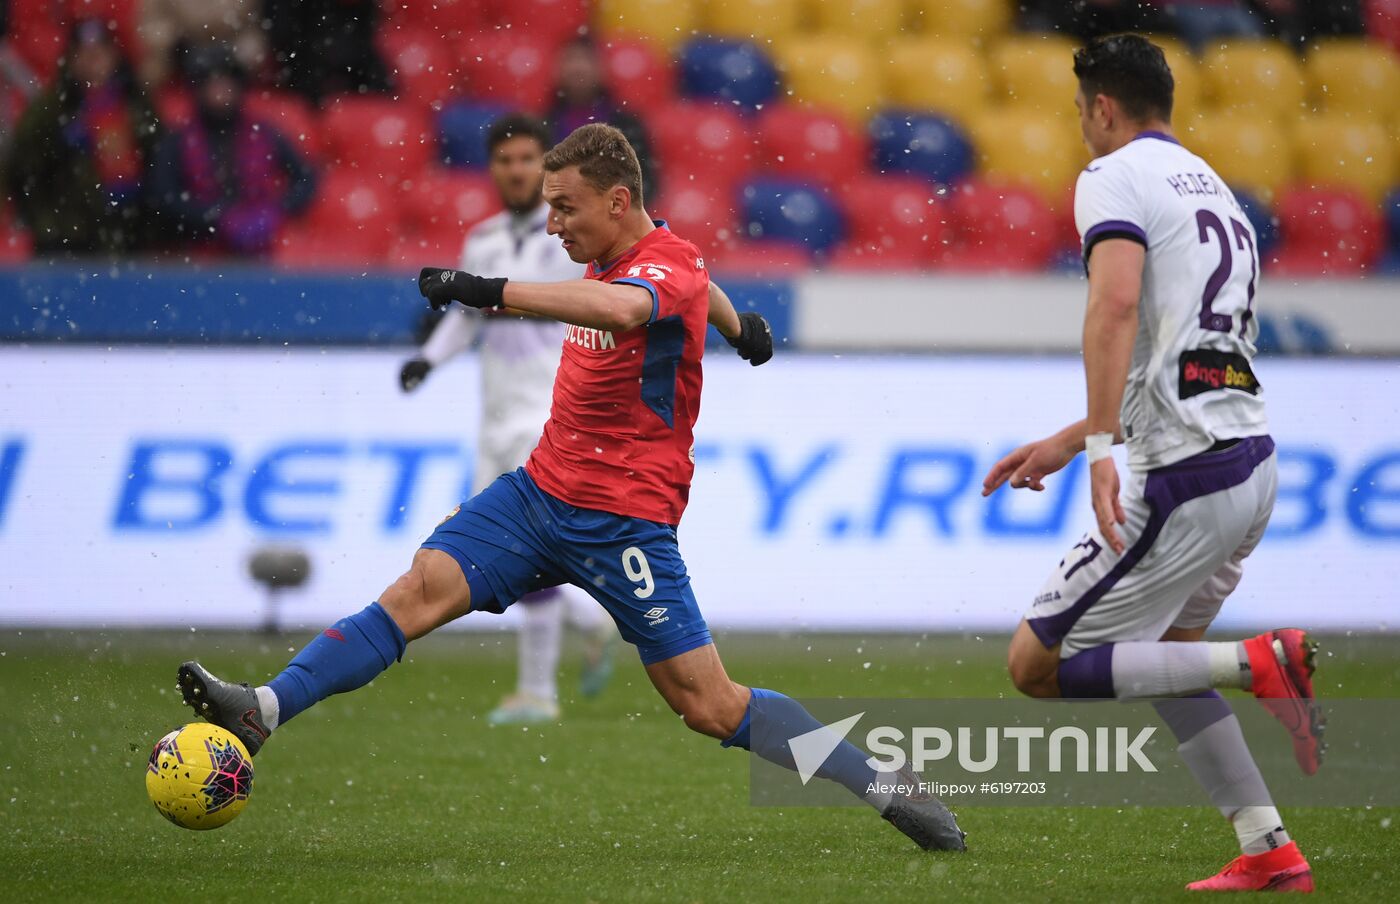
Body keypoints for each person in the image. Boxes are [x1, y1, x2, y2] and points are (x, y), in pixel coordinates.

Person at [175, 122, 966, 854]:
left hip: (625, 525)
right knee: (420, 587)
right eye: (549, 208)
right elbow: (693, 276)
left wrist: (492, 290)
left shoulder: (653, 275)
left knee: (710, 707)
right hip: (537, 493)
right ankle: (264, 710)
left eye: (566, 207)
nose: (552, 224)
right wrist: (737, 325)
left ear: (618, 201)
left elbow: (630, 307)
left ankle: (885, 786)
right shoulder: (645, 257)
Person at [982, 34, 1321, 892]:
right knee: (1164, 657)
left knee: (1037, 665)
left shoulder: (1112, 175)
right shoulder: (1221, 195)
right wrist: (1072, 439)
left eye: (1079, 113)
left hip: (1185, 478)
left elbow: (1118, 303)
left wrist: (1100, 446)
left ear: (1101, 106)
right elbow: (1193, 362)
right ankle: (1267, 847)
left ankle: (1256, 663)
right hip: (1251, 464)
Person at [398, 112, 616, 725]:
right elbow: (466, 316)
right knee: (499, 552)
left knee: (520, 548)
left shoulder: (573, 241)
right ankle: (594, 621)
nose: (517, 170)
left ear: (545, 167)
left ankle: (538, 692)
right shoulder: (483, 239)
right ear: (493, 168)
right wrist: (428, 359)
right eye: (506, 160)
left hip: (550, 417)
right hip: (493, 418)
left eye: (527, 159)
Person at [5, 18, 158, 255]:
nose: (92, 62)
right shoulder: (50, 108)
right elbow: (23, 170)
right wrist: (59, 147)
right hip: (65, 238)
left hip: (129, 233)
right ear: (72, 59)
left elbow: (159, 159)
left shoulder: (135, 103)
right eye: (84, 54)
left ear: (114, 57)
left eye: (99, 53)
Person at [146, 48, 316, 256]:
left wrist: (275, 211)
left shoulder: (265, 133)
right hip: (198, 257)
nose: (220, 92)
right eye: (212, 84)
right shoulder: (177, 140)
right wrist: (213, 217)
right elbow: (164, 197)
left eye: (226, 83)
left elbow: (306, 177)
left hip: (262, 253)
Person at [548, 37, 657, 200]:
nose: (578, 68)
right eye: (571, 59)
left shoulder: (628, 125)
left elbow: (645, 184)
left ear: (602, 69)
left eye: (586, 59)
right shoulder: (540, 126)